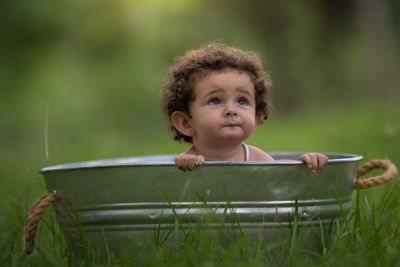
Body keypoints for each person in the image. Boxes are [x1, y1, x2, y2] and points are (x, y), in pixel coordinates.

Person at [160, 42, 328, 173]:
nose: (231, 110)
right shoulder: (185, 163)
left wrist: (304, 164)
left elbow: (281, 180)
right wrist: (184, 166)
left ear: (256, 119)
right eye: (215, 101)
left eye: (241, 101)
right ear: (186, 123)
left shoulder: (256, 158)